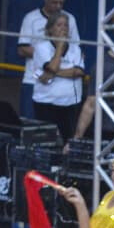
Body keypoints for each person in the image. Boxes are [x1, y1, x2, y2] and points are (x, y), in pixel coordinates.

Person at [18, 0, 80, 119]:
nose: (58, 6)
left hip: (63, 86)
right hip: (33, 79)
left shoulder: (71, 20)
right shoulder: (31, 18)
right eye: (54, 2)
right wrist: (45, 56)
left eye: (61, 3)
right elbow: (22, 49)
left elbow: (76, 49)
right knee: (29, 123)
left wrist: (53, 69)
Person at [31, 13, 84, 142]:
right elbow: (53, 67)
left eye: (66, 25)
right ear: (50, 30)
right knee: (47, 142)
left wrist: (52, 73)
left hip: (71, 104)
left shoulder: (75, 49)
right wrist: (60, 47)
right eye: (59, 25)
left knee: (69, 142)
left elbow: (78, 72)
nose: (63, 28)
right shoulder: (41, 48)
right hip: (46, 104)